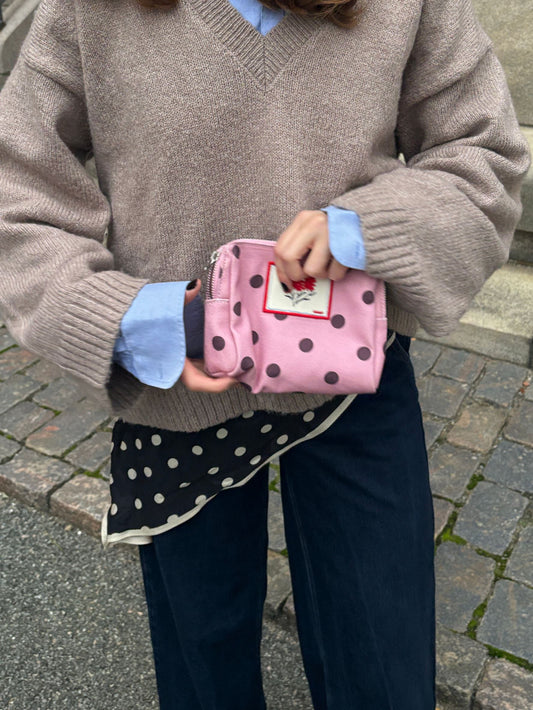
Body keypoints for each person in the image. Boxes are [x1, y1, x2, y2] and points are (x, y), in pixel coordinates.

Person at [0, 0, 529, 708]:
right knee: (203, 667)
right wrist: (130, 320)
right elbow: (16, 186)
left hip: (350, 382)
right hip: (176, 394)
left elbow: (483, 154)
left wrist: (369, 228)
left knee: (381, 656)